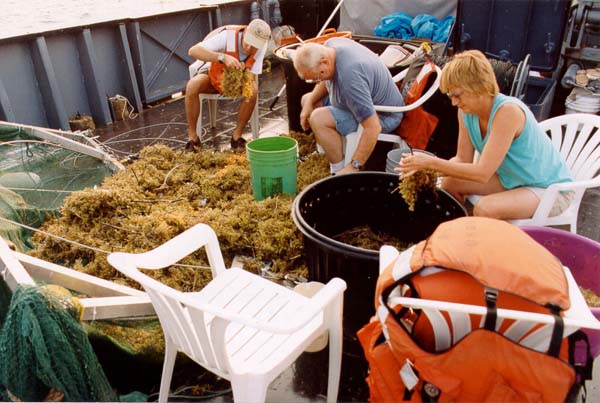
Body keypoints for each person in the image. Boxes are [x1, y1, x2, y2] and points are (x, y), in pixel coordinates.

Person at [396, 49, 573, 220]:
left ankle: (485, 245)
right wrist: (428, 173)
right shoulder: (466, 112)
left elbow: (482, 173)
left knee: (485, 209)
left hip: (549, 189)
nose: (453, 102)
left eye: (457, 95)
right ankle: (456, 233)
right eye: (450, 96)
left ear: (478, 87)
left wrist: (432, 163)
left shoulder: (508, 112)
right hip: (512, 178)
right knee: (449, 184)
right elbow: (462, 159)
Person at [292, 38, 404, 175]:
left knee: (318, 118)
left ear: (324, 62)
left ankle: (338, 171)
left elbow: (373, 127)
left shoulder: (350, 78)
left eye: (317, 77)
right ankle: (323, 156)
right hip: (356, 101)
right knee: (307, 100)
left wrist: (355, 165)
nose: (318, 81)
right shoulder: (330, 46)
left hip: (384, 115)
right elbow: (324, 81)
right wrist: (308, 105)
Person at [185, 19, 271, 151]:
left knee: (253, 91)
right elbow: (193, 51)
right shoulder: (228, 36)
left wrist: (243, 73)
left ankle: (236, 137)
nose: (249, 48)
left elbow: (253, 76)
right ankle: (193, 139)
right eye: (248, 43)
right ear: (245, 32)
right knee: (192, 86)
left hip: (236, 82)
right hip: (214, 77)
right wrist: (222, 57)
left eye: (254, 46)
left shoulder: (261, 45)